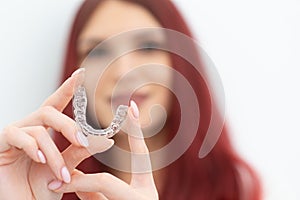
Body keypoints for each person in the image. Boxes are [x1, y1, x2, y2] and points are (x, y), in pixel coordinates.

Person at [0, 0, 262, 199]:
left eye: (147, 47)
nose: (124, 72)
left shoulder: (239, 188)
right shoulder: (48, 188)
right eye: (98, 51)